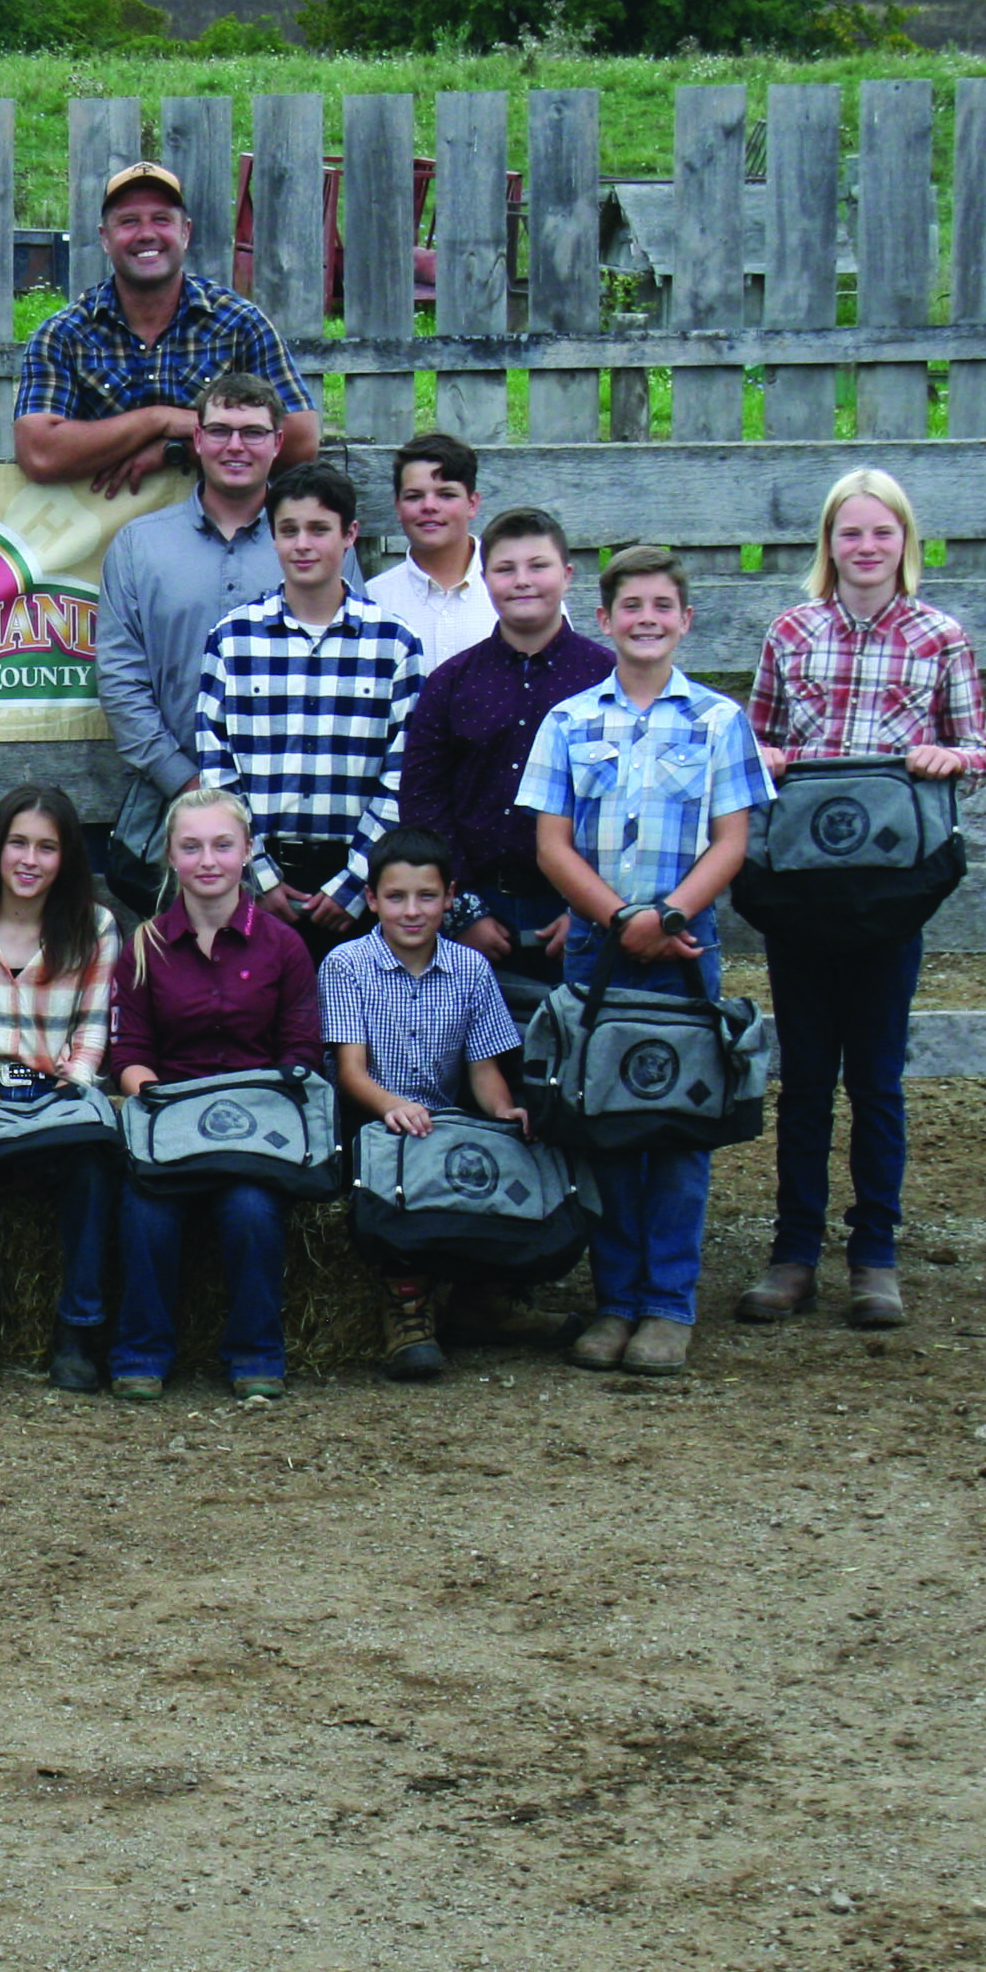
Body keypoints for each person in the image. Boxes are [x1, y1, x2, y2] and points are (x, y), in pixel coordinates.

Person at [736, 467, 986, 1335]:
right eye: (851, 533)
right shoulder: (791, 631)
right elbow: (755, 735)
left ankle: (874, 1254)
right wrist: (764, 757)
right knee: (805, 1079)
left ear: (905, 542)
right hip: (806, 881)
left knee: (877, 1080)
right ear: (829, 544)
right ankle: (794, 1252)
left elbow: (978, 746)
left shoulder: (939, 635)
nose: (867, 547)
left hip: (889, 886)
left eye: (882, 533)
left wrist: (949, 760)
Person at [519, 547, 775, 1379]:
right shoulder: (569, 721)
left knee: (675, 1124)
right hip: (598, 948)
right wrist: (619, 917)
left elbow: (732, 839)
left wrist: (667, 916)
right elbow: (551, 847)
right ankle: (614, 1299)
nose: (648, 619)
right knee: (602, 1122)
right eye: (632, 606)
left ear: (685, 619)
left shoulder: (717, 720)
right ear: (605, 619)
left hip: (683, 948)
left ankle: (668, 1306)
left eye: (663, 605)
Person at [105, 783, 321, 1404]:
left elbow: (301, 1053)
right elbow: (128, 1055)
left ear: (248, 851)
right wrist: (158, 1100)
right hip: (170, 1126)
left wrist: (257, 1103)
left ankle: (256, 1354)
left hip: (255, 1129)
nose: (208, 861)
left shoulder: (283, 946)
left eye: (223, 846)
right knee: (145, 1213)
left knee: (252, 1213)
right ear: (171, 856)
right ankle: (141, 1352)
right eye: (192, 846)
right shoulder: (144, 947)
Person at [320, 824, 528, 1383]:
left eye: (427, 896)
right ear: (371, 900)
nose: (412, 911)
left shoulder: (471, 968)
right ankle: (407, 1312)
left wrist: (503, 1114)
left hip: (443, 1116)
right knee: (394, 1178)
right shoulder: (346, 965)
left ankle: (483, 1295)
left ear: (451, 898)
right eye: (396, 897)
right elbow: (349, 1071)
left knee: (504, 1154)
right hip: (371, 1119)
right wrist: (390, 1106)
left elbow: (483, 1069)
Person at [192, 459, 427, 946]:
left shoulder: (395, 643)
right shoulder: (233, 640)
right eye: (289, 530)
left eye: (320, 529)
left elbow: (405, 771)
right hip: (261, 874)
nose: (303, 544)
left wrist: (357, 882)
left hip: (362, 876)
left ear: (349, 534)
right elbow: (217, 769)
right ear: (272, 538)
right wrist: (258, 874)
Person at [0, 782, 121, 1395]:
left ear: (66, 856)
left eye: (46, 847)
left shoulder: (94, 927)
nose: (29, 860)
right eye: (17, 843)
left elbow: (94, 1029)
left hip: (59, 1093)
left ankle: (78, 1328)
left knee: (97, 1166)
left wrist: (67, 1089)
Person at [91, 370, 292, 915]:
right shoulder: (139, 545)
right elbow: (120, 678)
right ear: (197, 440)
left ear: (278, 443)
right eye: (220, 430)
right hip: (171, 805)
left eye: (252, 432)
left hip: (291, 806)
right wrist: (189, 782)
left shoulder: (307, 540)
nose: (235, 445)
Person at [394, 507, 610, 992]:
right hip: (476, 906)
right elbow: (424, 798)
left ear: (568, 574)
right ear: (485, 577)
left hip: (578, 907)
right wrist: (463, 909)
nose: (522, 582)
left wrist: (590, 908)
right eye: (505, 569)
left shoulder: (605, 680)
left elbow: (625, 804)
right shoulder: (451, 681)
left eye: (539, 566)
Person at [16, 159, 321, 493]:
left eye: (161, 220)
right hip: (98, 539)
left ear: (185, 232)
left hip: (222, 532)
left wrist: (175, 450)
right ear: (105, 238)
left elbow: (301, 440)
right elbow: (39, 454)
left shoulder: (239, 323)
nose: (146, 234)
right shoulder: (62, 335)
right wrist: (158, 419)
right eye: (128, 222)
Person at [368, 432, 493, 673]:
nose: (429, 506)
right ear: (398, 507)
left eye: (446, 495)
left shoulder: (514, 588)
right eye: (414, 496)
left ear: (472, 503)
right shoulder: (375, 601)